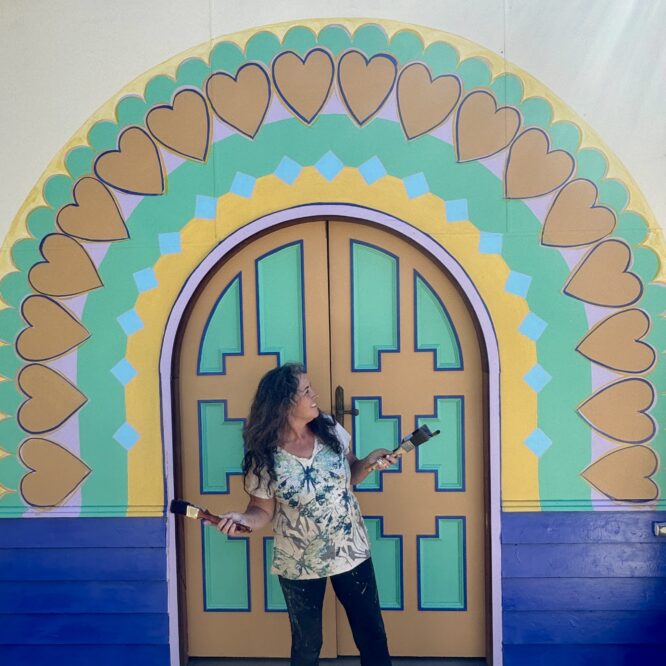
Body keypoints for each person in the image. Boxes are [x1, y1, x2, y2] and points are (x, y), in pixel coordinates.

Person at [214, 362, 397, 665]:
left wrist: (370, 462)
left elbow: (350, 474)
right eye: (307, 390)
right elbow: (261, 509)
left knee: (372, 635)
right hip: (298, 560)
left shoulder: (329, 428)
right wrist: (244, 520)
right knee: (308, 644)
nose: (315, 395)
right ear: (285, 403)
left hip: (350, 549)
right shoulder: (264, 455)